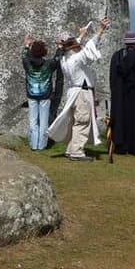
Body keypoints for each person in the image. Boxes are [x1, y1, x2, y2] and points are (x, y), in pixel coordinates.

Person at [47, 17, 110, 161]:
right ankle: (76, 151)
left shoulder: (65, 60)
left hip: (73, 92)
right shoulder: (77, 59)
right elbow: (89, 46)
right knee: (82, 121)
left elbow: (74, 45)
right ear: (74, 48)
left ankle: (71, 148)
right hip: (81, 93)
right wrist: (100, 30)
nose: (79, 46)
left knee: (75, 121)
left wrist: (81, 35)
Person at [22, 34, 61, 150]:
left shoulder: (27, 63)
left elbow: (24, 56)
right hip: (45, 95)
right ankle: (42, 145)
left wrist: (26, 45)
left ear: (32, 52)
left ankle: (34, 145)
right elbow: (57, 59)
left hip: (31, 94)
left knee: (33, 120)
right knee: (44, 121)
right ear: (44, 52)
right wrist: (59, 47)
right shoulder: (48, 64)